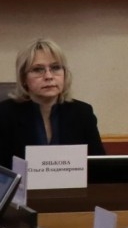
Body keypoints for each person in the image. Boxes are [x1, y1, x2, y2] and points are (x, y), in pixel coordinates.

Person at [0, 38, 105, 169]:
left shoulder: (82, 113)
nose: (49, 76)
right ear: (23, 78)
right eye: (38, 69)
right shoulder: (4, 115)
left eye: (55, 68)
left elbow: (99, 167)